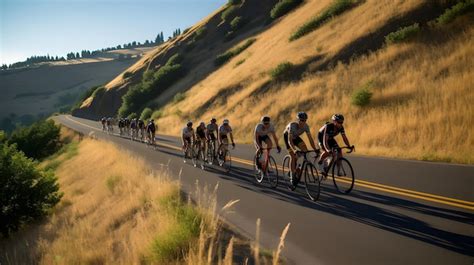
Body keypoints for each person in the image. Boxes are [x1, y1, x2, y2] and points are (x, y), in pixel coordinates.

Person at [283, 112, 319, 186]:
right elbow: (290, 141)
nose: (303, 122)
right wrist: (295, 150)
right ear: (298, 120)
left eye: (305, 120)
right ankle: (292, 176)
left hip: (295, 137)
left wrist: (315, 149)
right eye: (301, 120)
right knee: (293, 156)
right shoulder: (292, 125)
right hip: (288, 138)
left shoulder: (306, 127)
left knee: (305, 150)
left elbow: (310, 139)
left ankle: (296, 166)